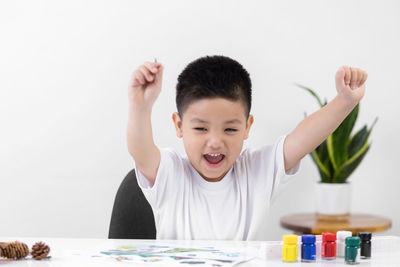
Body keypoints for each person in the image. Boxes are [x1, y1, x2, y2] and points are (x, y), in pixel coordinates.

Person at [127, 55, 367, 240]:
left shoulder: (257, 171)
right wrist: (140, 106)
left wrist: (345, 102)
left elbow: (303, 139)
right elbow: (140, 150)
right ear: (179, 126)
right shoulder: (169, 172)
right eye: (201, 129)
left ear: (247, 127)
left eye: (230, 129)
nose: (215, 141)